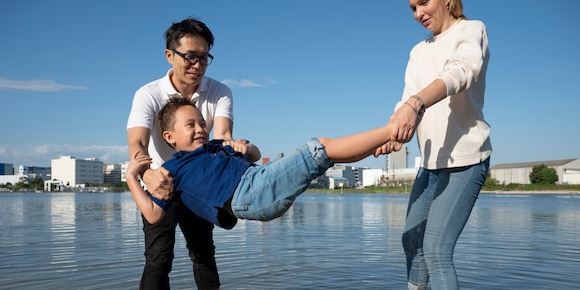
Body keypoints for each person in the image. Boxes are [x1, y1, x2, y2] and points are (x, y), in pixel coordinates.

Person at [377, 0, 491, 290]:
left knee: (438, 249)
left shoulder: (470, 30)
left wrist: (414, 104)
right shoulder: (416, 51)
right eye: (412, 7)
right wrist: (395, 134)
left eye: (424, 2)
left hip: (466, 160)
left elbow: (462, 72)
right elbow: (405, 101)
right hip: (431, 162)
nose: (418, 13)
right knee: (411, 238)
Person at [126, 96, 397, 230]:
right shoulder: (172, 168)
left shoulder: (214, 147)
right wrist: (132, 179)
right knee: (319, 146)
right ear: (169, 137)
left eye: (201, 123)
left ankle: (378, 144)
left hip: (257, 181)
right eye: (190, 125)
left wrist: (245, 147)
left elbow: (254, 155)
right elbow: (153, 214)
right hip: (248, 194)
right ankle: (391, 129)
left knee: (324, 157)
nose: (199, 128)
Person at [126, 17, 233, 290]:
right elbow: (137, 145)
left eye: (203, 57)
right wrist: (147, 175)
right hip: (162, 183)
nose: (197, 64)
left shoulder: (220, 91)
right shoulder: (148, 94)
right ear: (169, 55)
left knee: (203, 252)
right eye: (189, 56)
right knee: (159, 260)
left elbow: (224, 137)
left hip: (199, 185)